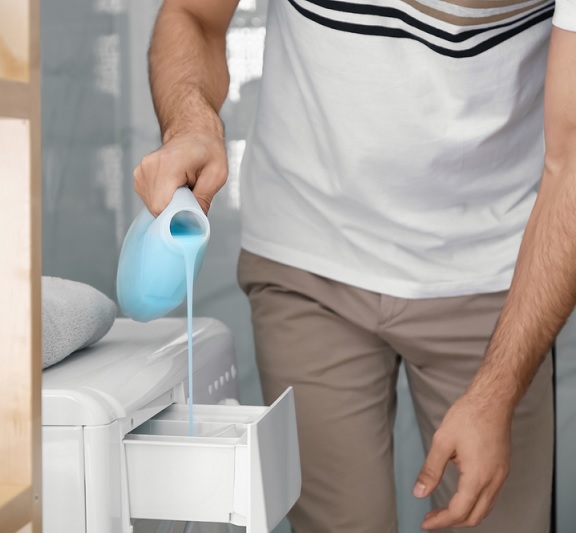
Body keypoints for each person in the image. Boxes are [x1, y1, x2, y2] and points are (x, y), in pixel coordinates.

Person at [134, 0, 576, 531]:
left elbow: (571, 162)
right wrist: (191, 123)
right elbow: (193, 13)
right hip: (307, 252)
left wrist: (498, 390)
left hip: (495, 274)